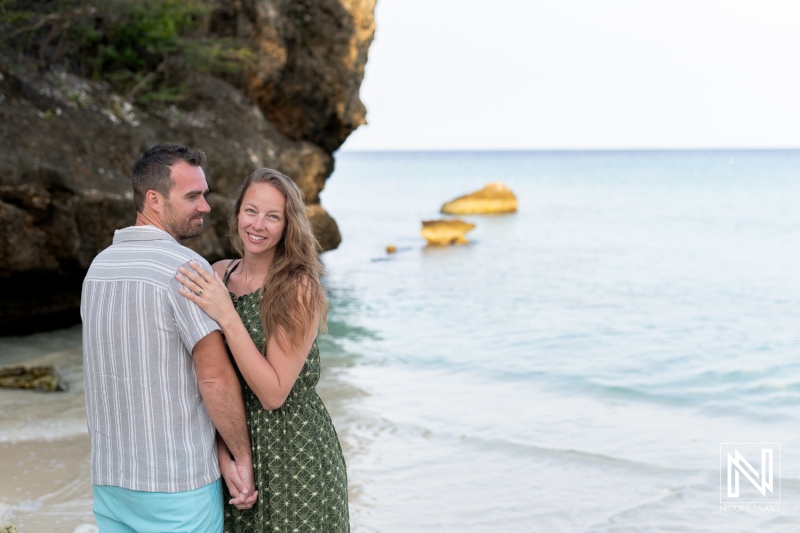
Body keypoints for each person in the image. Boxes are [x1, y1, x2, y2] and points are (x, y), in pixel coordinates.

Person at [81, 143, 257, 533]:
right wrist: (241, 457)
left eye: (204, 194)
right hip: (177, 487)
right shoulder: (186, 267)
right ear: (154, 200)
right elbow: (213, 378)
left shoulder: (98, 267)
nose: (206, 206)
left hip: (110, 480)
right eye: (193, 196)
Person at [175, 168, 350, 532]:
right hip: (234, 449)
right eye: (251, 211)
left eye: (274, 216)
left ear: (288, 226)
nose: (258, 225)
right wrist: (226, 457)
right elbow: (206, 378)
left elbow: (272, 393)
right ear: (237, 212)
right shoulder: (217, 275)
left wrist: (226, 313)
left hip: (295, 451)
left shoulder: (297, 287)